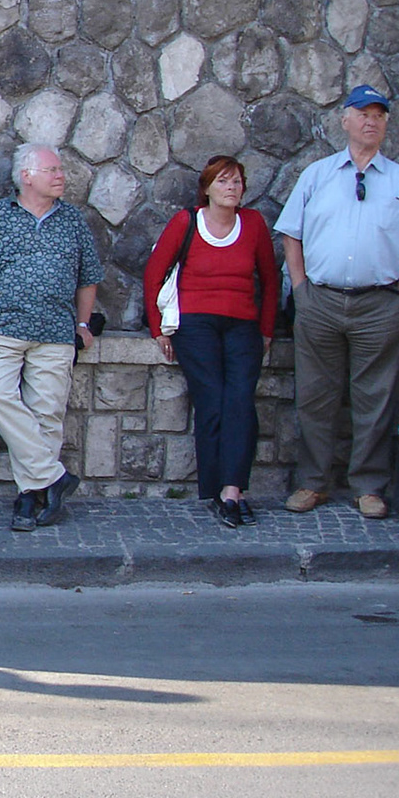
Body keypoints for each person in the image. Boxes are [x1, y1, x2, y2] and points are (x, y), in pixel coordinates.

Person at [274, 85, 399, 520]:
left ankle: (368, 486)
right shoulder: (317, 175)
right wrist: (301, 289)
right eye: (363, 113)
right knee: (316, 396)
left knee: (375, 397)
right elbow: (291, 233)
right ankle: (313, 482)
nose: (371, 121)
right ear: (345, 121)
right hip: (321, 301)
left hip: (380, 305)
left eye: (379, 114)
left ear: (386, 124)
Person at [0, 144, 103, 532]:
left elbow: (89, 277)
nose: (61, 176)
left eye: (60, 170)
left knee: (47, 416)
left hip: (55, 331)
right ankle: (54, 476)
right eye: (52, 169)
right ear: (27, 176)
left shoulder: (73, 221)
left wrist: (84, 325)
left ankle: (32, 497)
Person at [143, 155, 280, 528]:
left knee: (240, 400)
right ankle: (216, 488)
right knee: (213, 398)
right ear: (207, 188)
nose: (231, 188)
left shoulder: (252, 224)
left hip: (242, 324)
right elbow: (154, 275)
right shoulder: (186, 221)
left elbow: (270, 280)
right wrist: (159, 330)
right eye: (223, 181)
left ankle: (233, 491)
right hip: (195, 324)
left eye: (236, 182)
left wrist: (266, 329)